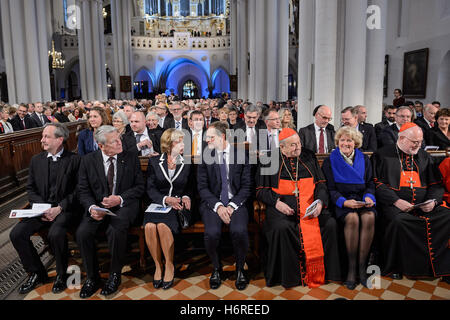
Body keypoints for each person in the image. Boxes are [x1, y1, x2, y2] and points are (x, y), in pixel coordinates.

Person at [255, 128, 341, 288]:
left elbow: (321, 184)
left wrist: (320, 203)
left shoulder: (308, 155)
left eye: (299, 143)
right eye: (293, 145)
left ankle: (325, 273)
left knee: (329, 224)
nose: (298, 148)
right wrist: (277, 203)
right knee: (282, 227)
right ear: (282, 148)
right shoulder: (269, 159)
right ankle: (289, 277)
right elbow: (261, 190)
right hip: (282, 207)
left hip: (310, 205)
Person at [372, 122, 450, 282]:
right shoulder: (382, 155)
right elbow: (376, 183)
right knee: (398, 221)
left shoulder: (424, 156)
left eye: (420, 142)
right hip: (394, 205)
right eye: (414, 142)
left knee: (446, 215)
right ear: (401, 138)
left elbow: (436, 184)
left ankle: (438, 266)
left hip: (423, 205)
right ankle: (397, 266)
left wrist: (433, 201)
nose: (418, 145)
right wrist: (396, 200)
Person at [9, 123, 81, 294]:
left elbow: (79, 191)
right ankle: (36, 272)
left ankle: (62, 275)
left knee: (55, 233)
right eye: (43, 136)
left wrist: (59, 208)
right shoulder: (36, 160)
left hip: (65, 209)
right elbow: (30, 188)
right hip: (41, 210)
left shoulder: (75, 160)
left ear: (60, 139)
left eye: (46, 137)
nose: (42, 140)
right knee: (16, 234)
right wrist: (40, 207)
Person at [76, 125, 145, 298]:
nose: (119, 143)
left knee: (115, 229)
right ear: (101, 146)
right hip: (98, 207)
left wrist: (119, 198)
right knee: (83, 233)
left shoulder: (130, 157)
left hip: (124, 205)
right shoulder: (88, 161)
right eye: (114, 141)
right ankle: (92, 277)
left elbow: (139, 187)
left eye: (119, 138)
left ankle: (115, 275)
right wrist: (92, 208)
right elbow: (82, 190)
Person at [197, 121, 252, 290]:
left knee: (239, 231)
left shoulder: (241, 155)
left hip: (236, 202)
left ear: (222, 137)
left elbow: (247, 186)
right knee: (212, 233)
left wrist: (232, 205)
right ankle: (216, 267)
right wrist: (219, 206)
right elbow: (202, 187)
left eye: (210, 138)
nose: (207, 141)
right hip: (212, 203)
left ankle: (240, 268)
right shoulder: (205, 156)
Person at [322, 127, 376, 289]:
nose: (346, 143)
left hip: (361, 199)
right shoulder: (329, 160)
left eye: (350, 140)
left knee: (369, 217)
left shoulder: (364, 159)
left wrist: (369, 197)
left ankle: (362, 268)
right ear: (338, 142)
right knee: (352, 218)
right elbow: (330, 189)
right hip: (342, 201)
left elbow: (370, 184)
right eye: (343, 140)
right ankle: (351, 270)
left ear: (356, 143)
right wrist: (344, 202)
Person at [144, 129, 193, 290]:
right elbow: (150, 189)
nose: (183, 144)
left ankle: (170, 265)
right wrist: (165, 199)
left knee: (163, 226)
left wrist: (186, 196)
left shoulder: (187, 162)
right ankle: (158, 266)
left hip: (178, 205)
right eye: (180, 141)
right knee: (150, 227)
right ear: (170, 144)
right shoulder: (154, 161)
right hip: (159, 203)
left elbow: (191, 187)